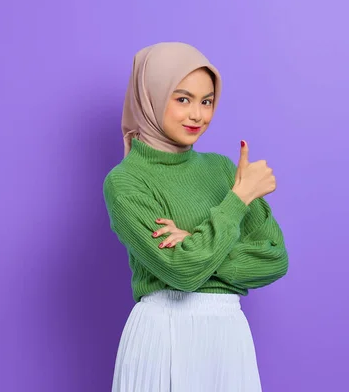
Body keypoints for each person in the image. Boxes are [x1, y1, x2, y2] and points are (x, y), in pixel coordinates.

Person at [102, 41, 289, 392]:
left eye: (207, 101)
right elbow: (183, 272)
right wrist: (239, 198)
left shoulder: (221, 168)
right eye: (183, 99)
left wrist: (191, 242)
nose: (197, 115)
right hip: (164, 336)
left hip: (228, 337)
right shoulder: (125, 182)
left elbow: (275, 259)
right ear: (151, 96)